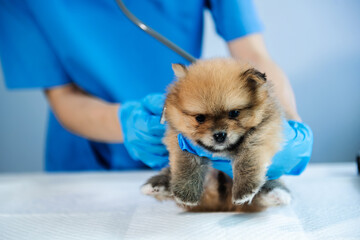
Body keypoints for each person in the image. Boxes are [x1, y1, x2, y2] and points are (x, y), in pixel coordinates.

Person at [0, 0, 312, 176]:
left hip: (196, 150)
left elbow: (253, 56)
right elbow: (62, 96)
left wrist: (287, 123)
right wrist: (129, 123)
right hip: (87, 159)